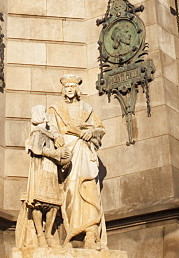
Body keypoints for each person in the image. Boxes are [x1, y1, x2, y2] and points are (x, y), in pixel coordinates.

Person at [49, 75, 106, 249]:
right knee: (70, 191)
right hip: (68, 154)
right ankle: (72, 231)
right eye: (67, 87)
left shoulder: (87, 108)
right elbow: (51, 127)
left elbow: (100, 128)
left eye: (73, 86)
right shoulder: (55, 109)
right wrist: (57, 136)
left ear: (77, 89)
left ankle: (90, 232)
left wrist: (92, 133)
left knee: (88, 189)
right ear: (63, 89)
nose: (70, 90)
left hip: (84, 152)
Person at [15, 105, 71, 249]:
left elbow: (55, 147)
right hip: (40, 169)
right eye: (44, 112)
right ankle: (40, 235)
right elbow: (37, 148)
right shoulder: (37, 131)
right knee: (38, 202)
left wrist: (62, 160)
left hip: (51, 170)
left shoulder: (50, 132)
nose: (46, 114)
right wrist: (56, 154)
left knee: (53, 203)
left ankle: (49, 234)